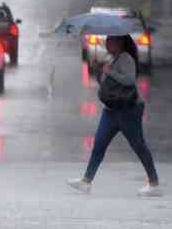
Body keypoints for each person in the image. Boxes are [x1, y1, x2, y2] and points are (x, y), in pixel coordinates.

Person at [68, 34, 161, 197]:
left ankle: (154, 183)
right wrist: (98, 70)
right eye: (107, 40)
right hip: (111, 109)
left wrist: (111, 72)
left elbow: (129, 80)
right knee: (99, 144)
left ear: (120, 43)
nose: (108, 43)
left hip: (128, 110)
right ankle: (86, 181)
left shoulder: (127, 59)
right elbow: (106, 84)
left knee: (138, 145)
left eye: (111, 40)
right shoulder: (109, 58)